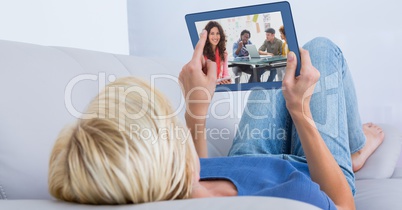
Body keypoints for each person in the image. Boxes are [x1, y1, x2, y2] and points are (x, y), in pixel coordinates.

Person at [48, 31, 384, 209]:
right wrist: (301, 112)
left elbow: (198, 171)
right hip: (314, 173)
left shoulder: (165, 187)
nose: (174, 132)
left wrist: (197, 109)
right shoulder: (297, 198)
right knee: (320, 49)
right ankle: (351, 155)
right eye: (170, 133)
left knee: (280, 63)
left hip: (246, 160)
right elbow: (342, 206)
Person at [203, 21, 230, 85]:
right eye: (212, 33)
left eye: (217, 33)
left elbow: (225, 74)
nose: (215, 37)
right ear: (207, 36)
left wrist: (227, 81)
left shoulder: (224, 53)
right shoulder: (202, 53)